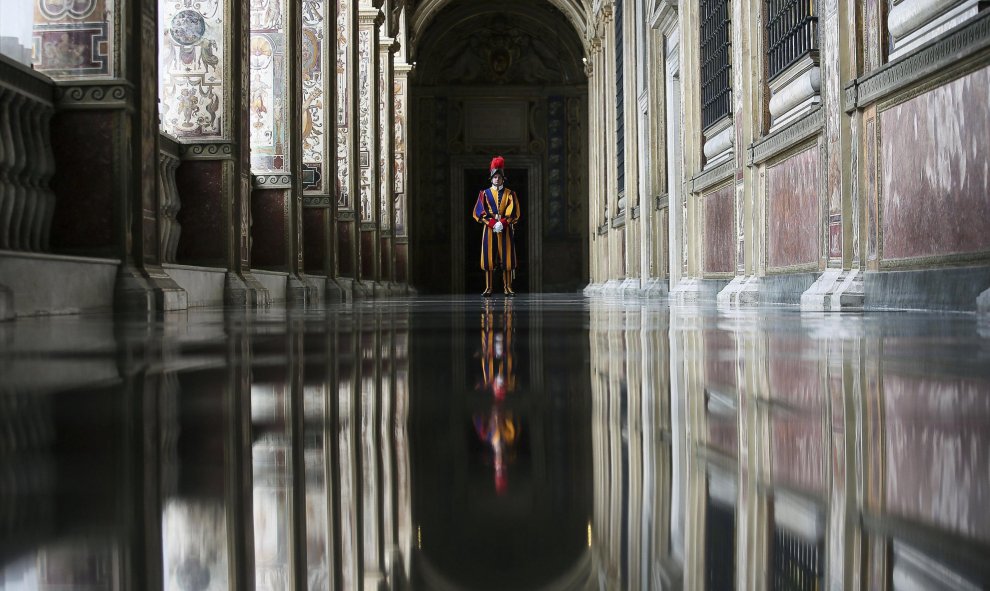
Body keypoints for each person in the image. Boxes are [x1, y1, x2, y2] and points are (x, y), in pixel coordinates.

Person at [472, 156, 521, 296]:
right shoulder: (484, 194)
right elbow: (479, 212)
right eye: (495, 177)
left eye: (499, 177)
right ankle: (488, 288)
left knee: (507, 259)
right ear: (491, 178)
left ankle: (508, 287)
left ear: (503, 178)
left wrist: (503, 223)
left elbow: (514, 212)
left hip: (505, 228)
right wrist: (493, 224)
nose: (497, 179)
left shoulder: (510, 194)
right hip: (489, 229)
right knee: (488, 259)